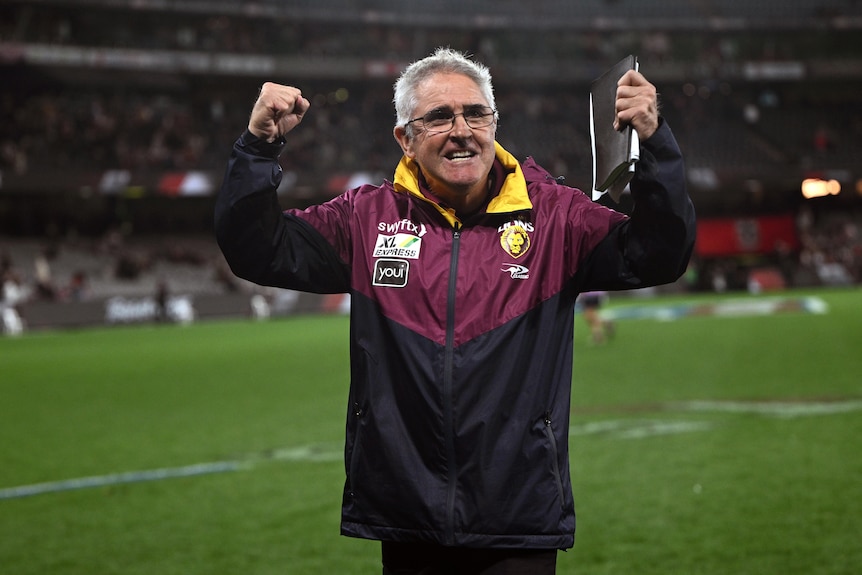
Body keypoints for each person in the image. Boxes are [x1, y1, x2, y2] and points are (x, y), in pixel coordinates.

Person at [215, 47, 695, 574]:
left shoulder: (557, 217)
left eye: (475, 113)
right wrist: (258, 148)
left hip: (517, 518)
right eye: (439, 117)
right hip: (407, 514)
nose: (462, 129)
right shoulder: (364, 219)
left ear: (494, 123)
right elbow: (256, 249)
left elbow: (660, 254)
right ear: (406, 138)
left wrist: (654, 144)